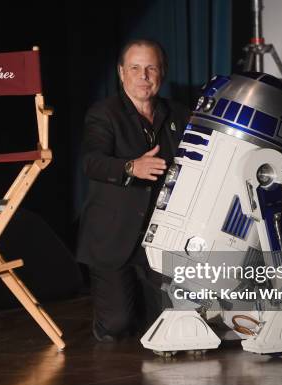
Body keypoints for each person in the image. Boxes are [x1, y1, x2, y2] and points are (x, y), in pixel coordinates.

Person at [77, 39, 190, 342]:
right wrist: (130, 167)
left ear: (162, 72)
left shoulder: (179, 114)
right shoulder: (104, 113)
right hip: (113, 239)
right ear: (121, 73)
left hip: (161, 240)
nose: (143, 76)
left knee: (173, 324)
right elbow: (92, 161)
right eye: (135, 68)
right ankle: (120, 312)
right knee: (117, 324)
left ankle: (147, 308)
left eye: (151, 68)